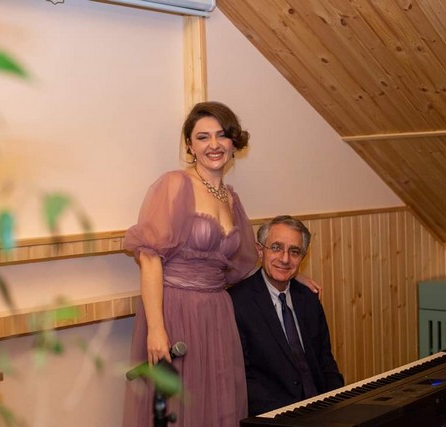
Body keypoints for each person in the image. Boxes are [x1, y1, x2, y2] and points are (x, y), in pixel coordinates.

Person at [122, 102, 319, 427]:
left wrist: (290, 277)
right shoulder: (175, 184)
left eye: (221, 135)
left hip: (217, 314)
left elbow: (244, 265)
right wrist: (156, 329)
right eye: (203, 137)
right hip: (176, 310)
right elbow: (150, 257)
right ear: (190, 145)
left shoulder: (231, 198)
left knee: (214, 404)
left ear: (232, 142)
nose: (213, 144)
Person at [228, 215, 344, 416]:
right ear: (260, 250)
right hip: (274, 415)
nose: (285, 259)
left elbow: (326, 362)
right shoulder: (238, 303)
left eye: (294, 251)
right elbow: (243, 378)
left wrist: (339, 402)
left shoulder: (309, 298)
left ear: (302, 257)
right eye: (276, 248)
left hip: (321, 410)